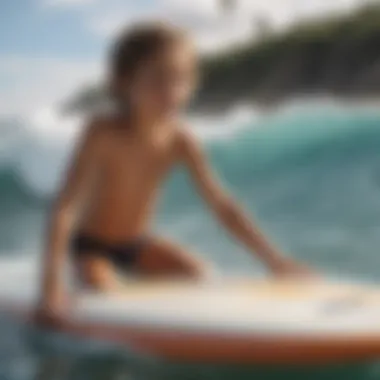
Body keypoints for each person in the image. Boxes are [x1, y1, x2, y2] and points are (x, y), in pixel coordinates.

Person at [37, 22, 309, 324]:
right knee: (105, 292)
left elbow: (221, 205)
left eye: (181, 79)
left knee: (199, 276)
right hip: (92, 245)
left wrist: (274, 261)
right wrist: (50, 283)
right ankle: (94, 278)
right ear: (125, 83)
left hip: (137, 244)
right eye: (158, 79)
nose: (172, 92)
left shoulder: (181, 140)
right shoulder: (102, 133)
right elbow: (66, 207)